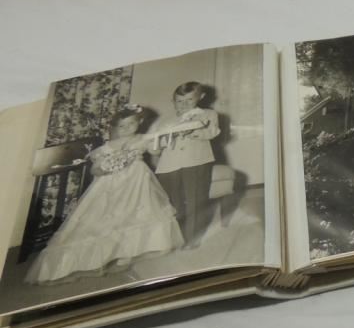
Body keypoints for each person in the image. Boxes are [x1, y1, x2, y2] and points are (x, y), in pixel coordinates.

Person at [26, 105, 184, 285]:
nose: (127, 128)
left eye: (131, 124)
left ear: (139, 122)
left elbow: (155, 150)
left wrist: (164, 138)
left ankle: (126, 254)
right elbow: (95, 170)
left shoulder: (142, 139)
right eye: (122, 126)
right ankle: (88, 260)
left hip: (137, 182)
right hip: (111, 186)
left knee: (134, 215)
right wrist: (106, 167)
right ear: (115, 128)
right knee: (105, 218)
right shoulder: (107, 147)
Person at [153, 82, 220, 248]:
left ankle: (193, 237)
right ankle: (178, 237)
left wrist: (193, 131)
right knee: (172, 203)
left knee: (195, 200)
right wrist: (166, 139)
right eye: (179, 101)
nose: (184, 104)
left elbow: (212, 132)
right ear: (173, 101)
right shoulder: (166, 120)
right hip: (169, 165)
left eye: (189, 100)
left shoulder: (208, 114)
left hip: (196, 161)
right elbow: (156, 146)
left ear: (200, 97)